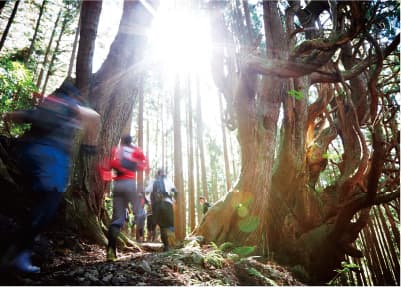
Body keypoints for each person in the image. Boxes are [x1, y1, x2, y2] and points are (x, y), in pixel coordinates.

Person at [0, 80, 100, 273]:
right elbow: (94, 117)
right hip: (51, 158)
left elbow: (21, 116)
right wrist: (89, 149)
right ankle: (17, 254)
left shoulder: (49, 103)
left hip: (26, 153)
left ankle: (17, 249)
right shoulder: (69, 104)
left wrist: (11, 116)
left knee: (31, 200)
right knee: (48, 203)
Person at [104, 135, 148, 261]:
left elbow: (107, 166)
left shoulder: (116, 151)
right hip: (129, 184)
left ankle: (111, 252)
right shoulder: (136, 150)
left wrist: (108, 182)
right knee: (140, 212)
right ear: (131, 142)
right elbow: (143, 165)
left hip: (117, 185)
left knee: (117, 219)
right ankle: (139, 233)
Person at [145, 168, 177, 251]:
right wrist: (174, 200)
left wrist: (149, 202)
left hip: (157, 205)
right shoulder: (168, 180)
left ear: (157, 173)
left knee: (162, 226)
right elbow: (175, 191)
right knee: (170, 225)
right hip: (167, 203)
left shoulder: (153, 181)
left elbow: (146, 192)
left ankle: (166, 246)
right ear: (164, 173)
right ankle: (172, 245)